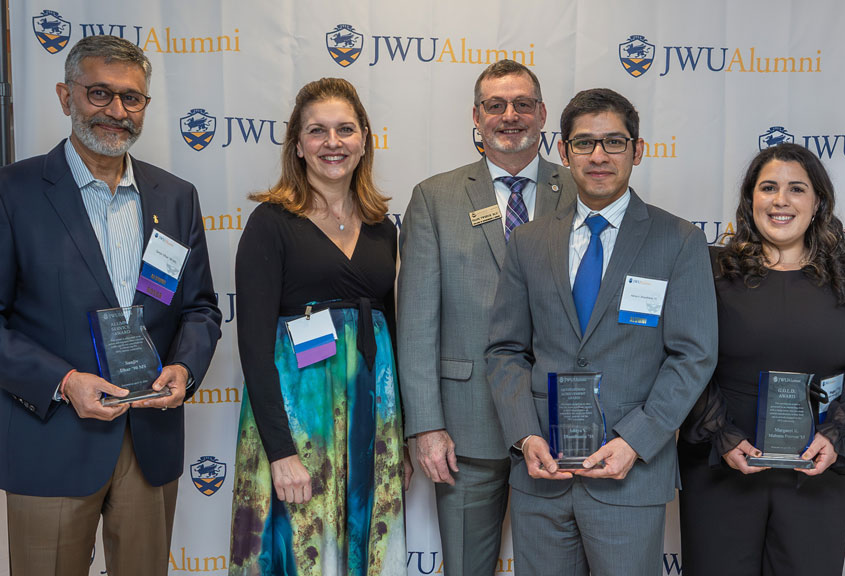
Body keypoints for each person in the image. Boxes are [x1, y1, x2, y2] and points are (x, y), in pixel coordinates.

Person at [0, 35, 222, 575]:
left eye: (132, 98)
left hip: (148, 437)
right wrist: (62, 381)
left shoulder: (176, 197)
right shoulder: (14, 192)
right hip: (52, 434)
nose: (116, 112)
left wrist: (185, 369)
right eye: (99, 93)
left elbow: (200, 308)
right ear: (64, 95)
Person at [486, 88, 717, 575]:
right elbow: (505, 350)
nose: (598, 155)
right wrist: (526, 435)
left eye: (614, 142)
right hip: (541, 474)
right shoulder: (528, 241)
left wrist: (636, 439)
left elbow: (693, 355)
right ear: (564, 151)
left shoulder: (678, 241)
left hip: (630, 474)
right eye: (584, 143)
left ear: (637, 150)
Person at [677, 143, 845, 575]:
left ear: (818, 203)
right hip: (721, 463)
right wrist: (722, 435)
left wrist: (835, 436)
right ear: (750, 199)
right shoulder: (710, 269)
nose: (781, 200)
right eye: (768, 187)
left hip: (817, 468)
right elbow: (685, 362)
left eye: (797, 189)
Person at [397, 59, 575, 575]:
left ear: (543, 114)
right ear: (476, 116)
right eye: (495, 105)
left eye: (523, 104)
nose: (509, 115)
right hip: (465, 427)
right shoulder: (435, 197)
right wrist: (425, 426)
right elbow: (416, 323)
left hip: (565, 422)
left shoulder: (583, 190)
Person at [229, 78, 410, 576]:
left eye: (345, 129)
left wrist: (402, 441)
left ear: (365, 139)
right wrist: (281, 452)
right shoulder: (271, 223)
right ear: (298, 145)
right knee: (301, 550)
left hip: (373, 415)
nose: (333, 142)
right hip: (299, 422)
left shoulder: (382, 226)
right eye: (318, 131)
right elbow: (254, 347)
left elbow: (395, 330)